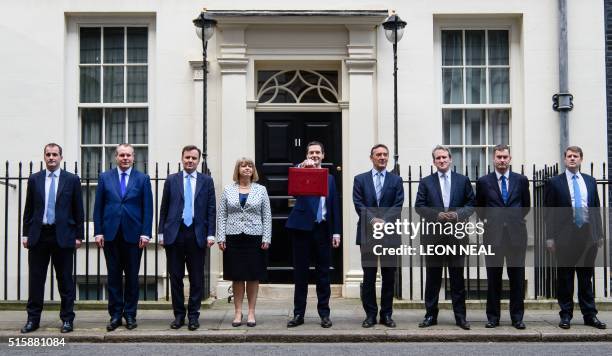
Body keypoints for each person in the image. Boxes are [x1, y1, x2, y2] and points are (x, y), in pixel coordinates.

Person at [21, 143, 84, 334]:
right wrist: (25, 233)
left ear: (60, 157)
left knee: (65, 279)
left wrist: (79, 236)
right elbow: (29, 208)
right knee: (36, 279)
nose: (51, 158)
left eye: (55, 154)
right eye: (48, 154)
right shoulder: (35, 179)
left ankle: (67, 319)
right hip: (39, 235)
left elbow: (78, 209)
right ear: (44, 156)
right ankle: (33, 319)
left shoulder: (71, 180)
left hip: (63, 235)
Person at [545, 146, 606, 329]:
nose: (572, 159)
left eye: (576, 156)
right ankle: (566, 315)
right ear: (565, 160)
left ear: (581, 159)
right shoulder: (555, 182)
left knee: (586, 278)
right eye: (569, 156)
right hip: (565, 236)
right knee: (565, 277)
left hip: (588, 235)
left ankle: (590, 315)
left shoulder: (590, 181)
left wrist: (599, 234)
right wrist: (550, 238)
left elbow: (596, 208)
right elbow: (549, 213)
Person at [93, 143, 153, 331]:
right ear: (116, 157)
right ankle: (116, 315)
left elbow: (147, 208)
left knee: (132, 278)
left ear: (133, 157)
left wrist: (145, 232)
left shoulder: (142, 179)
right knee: (113, 277)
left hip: (134, 236)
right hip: (111, 234)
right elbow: (98, 207)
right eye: (121, 155)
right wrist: (98, 231)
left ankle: (130, 314)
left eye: (128, 155)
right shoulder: (105, 177)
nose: (125, 158)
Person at [415, 145, 474, 330]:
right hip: (433, 237)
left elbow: (471, 203)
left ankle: (461, 317)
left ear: (450, 159)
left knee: (457, 279)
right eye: (438, 158)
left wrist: (458, 215)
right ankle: (430, 316)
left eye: (444, 157)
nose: (441, 160)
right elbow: (419, 206)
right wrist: (436, 215)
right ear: (434, 162)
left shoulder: (462, 180)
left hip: (457, 237)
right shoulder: (426, 182)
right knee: (432, 278)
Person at [158, 145, 216, 331]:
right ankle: (179, 316)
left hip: (197, 234)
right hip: (174, 233)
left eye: (193, 158)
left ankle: (193, 316)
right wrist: (160, 233)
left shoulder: (206, 181)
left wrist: (211, 233)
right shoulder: (172, 180)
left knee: (196, 278)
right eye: (187, 158)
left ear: (198, 160)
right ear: (182, 159)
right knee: (175, 277)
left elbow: (211, 209)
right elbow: (164, 208)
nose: (190, 161)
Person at [286, 141, 341, 328]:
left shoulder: (331, 179)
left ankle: (324, 314)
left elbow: (334, 206)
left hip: (323, 229)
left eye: (318, 152)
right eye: (312, 152)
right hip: (302, 230)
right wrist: (302, 166)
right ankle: (298, 314)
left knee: (323, 275)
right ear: (307, 155)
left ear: (323, 155)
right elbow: (292, 186)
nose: (315, 155)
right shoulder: (301, 171)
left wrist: (336, 232)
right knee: (300, 274)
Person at [475, 144, 530, 329]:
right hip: (493, 236)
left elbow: (526, 206)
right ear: (493, 158)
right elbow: (480, 209)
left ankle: (517, 318)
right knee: (493, 278)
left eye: (505, 157)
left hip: (516, 235)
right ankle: (493, 317)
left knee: (516, 278)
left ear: (510, 158)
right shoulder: (484, 182)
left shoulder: (521, 180)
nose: (502, 160)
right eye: (498, 157)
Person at [353, 144, 404, 328]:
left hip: (390, 234)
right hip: (368, 233)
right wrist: (373, 220)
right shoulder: (360, 179)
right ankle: (370, 315)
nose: (382, 157)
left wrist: (384, 221)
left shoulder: (396, 180)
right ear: (371, 157)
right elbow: (358, 203)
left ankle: (386, 315)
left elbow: (398, 204)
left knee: (389, 276)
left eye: (385, 155)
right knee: (369, 276)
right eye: (378, 155)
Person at [217, 157, 271, 328]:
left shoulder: (261, 190)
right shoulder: (228, 190)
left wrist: (266, 237)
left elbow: (267, 216)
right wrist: (221, 237)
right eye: (243, 165)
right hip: (233, 237)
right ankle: (238, 312)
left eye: (250, 166)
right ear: (238, 169)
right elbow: (222, 215)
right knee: (237, 276)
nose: (247, 168)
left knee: (253, 276)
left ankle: (252, 313)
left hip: (255, 237)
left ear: (253, 170)